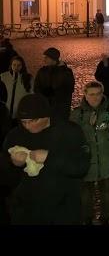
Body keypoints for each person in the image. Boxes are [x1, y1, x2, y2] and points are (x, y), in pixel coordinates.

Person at [1, 94, 90, 224]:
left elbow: (81, 166)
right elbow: (5, 178)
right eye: (24, 122)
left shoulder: (69, 131)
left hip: (62, 210)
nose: (28, 126)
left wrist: (50, 157)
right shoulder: (15, 135)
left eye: (33, 121)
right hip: (26, 211)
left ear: (46, 116)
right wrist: (13, 164)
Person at [69, 81, 109, 225]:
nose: (95, 98)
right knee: (85, 194)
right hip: (87, 159)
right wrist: (87, 125)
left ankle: (106, 218)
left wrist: (108, 126)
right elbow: (71, 134)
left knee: (107, 192)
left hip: (106, 157)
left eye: (98, 94)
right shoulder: (77, 113)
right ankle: (86, 218)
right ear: (85, 95)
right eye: (92, 94)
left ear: (102, 94)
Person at [34, 47, 75, 121]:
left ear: (53, 59)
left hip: (60, 110)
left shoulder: (66, 72)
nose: (44, 59)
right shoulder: (42, 71)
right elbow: (36, 88)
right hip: (45, 108)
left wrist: (54, 93)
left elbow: (69, 89)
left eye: (47, 57)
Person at [1, 56, 33, 120]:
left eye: (19, 65)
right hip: (5, 112)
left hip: (20, 112)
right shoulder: (3, 76)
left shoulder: (28, 78)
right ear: (11, 65)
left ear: (22, 66)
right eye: (14, 65)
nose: (16, 67)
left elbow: (31, 94)